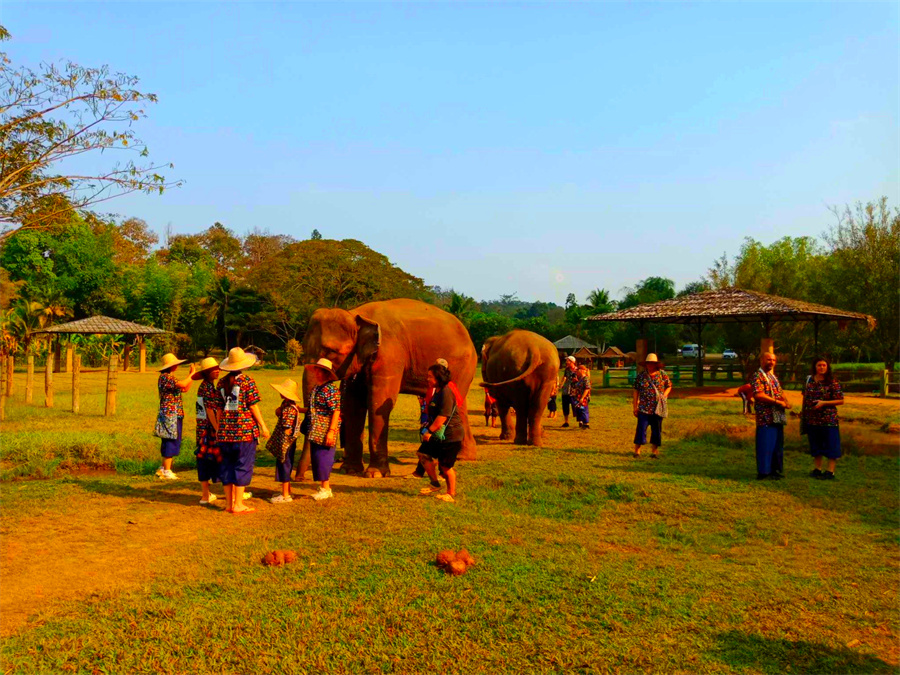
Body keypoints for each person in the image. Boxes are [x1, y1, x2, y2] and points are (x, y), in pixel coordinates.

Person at [217, 347, 270, 513]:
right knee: (243, 465)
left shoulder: (221, 383)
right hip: (244, 431)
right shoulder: (247, 382)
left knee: (226, 466)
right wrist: (263, 425)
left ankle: (228, 504)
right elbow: (253, 406)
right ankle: (238, 504)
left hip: (225, 432)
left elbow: (218, 409)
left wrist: (220, 428)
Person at [417, 363, 463, 503]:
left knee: (445, 466)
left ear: (438, 377)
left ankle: (451, 493)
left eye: (430, 376)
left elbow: (443, 416)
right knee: (423, 454)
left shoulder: (446, 392)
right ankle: (435, 483)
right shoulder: (437, 391)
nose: (427, 379)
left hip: (450, 435)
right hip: (438, 433)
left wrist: (429, 431)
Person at [305, 358, 342, 501]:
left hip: (326, 428)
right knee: (317, 458)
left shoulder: (330, 389)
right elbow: (314, 408)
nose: (316, 373)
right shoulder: (317, 388)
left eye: (319, 371)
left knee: (324, 458)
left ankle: (326, 488)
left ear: (325, 373)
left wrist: (331, 431)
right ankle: (322, 487)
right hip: (315, 428)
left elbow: (336, 411)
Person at [751, 351, 791, 480]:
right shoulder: (758, 376)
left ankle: (775, 470)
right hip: (765, 416)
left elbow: (780, 391)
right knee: (765, 444)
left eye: (773, 360)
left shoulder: (772, 377)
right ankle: (764, 472)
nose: (771, 362)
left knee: (777, 444)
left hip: (777, 415)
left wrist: (786, 401)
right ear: (761, 360)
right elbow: (758, 395)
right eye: (768, 360)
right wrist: (777, 402)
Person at [155, 353, 196, 480]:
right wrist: (192, 374)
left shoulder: (169, 378)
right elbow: (183, 385)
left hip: (173, 413)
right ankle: (167, 470)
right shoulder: (166, 378)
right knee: (171, 440)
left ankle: (163, 468)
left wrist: (191, 377)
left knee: (169, 439)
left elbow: (185, 388)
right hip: (171, 414)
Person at [802, 356, 844, 480]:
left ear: (827, 367)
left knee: (831, 444)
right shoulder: (809, 380)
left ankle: (830, 471)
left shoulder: (832, 381)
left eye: (824, 365)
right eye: (819, 365)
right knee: (816, 444)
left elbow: (841, 400)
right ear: (815, 367)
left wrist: (824, 403)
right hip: (812, 419)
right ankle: (817, 469)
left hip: (828, 419)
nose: (821, 367)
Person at [267, 379, 308, 503]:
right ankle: (287, 491)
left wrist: (284, 441)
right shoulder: (289, 405)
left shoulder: (289, 409)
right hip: (290, 442)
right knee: (286, 464)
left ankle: (285, 495)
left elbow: (287, 427)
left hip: (285, 442)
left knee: (284, 464)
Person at [192, 357, 223, 504]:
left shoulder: (206, 386)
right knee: (208, 459)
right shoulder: (208, 388)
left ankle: (206, 494)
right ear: (206, 372)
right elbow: (210, 410)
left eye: (217, 368)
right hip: (208, 430)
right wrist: (217, 429)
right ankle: (207, 494)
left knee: (204, 459)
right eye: (213, 369)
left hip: (202, 429)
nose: (216, 371)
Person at [632, 354, 671, 458]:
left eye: (652, 363)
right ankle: (637, 451)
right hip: (644, 408)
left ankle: (654, 451)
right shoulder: (641, 376)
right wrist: (635, 406)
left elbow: (669, 386)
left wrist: (664, 396)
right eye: (648, 363)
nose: (650, 365)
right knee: (641, 429)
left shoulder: (662, 375)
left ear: (656, 364)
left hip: (657, 408)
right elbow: (636, 391)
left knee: (656, 430)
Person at [571, 364, 592, 429]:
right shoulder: (580, 379)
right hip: (578, 397)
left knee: (583, 409)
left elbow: (587, 388)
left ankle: (586, 423)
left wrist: (582, 397)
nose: (576, 372)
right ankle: (582, 422)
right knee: (579, 410)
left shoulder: (585, 378)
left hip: (583, 397)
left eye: (578, 370)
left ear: (581, 371)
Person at [560, 355, 578, 427]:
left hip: (573, 390)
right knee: (565, 406)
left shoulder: (577, 370)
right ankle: (566, 421)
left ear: (572, 362)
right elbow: (564, 377)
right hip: (566, 389)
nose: (566, 362)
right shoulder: (566, 370)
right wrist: (561, 384)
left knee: (575, 406)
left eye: (568, 360)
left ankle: (580, 421)